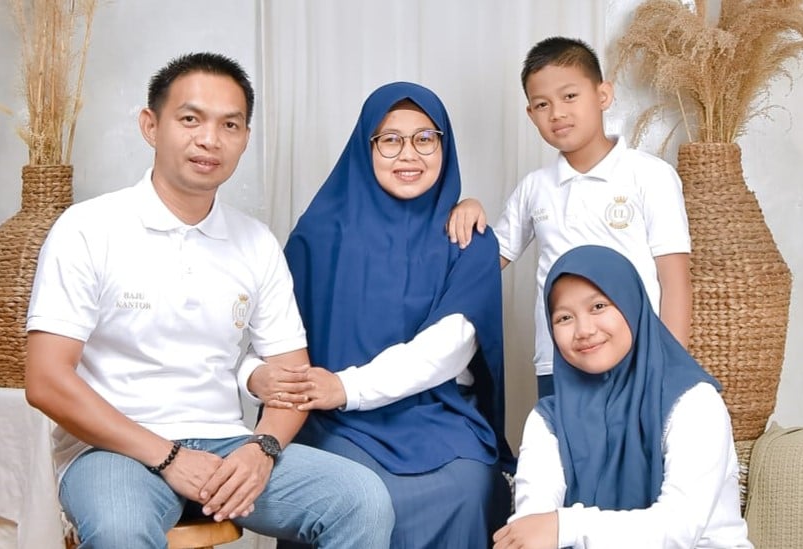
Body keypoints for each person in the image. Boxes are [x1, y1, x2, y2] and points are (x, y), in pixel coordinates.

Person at [24, 52, 394, 548]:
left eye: (230, 125)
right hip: (112, 448)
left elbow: (292, 379)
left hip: (226, 444)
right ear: (151, 125)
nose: (210, 139)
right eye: (190, 119)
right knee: (120, 529)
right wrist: (169, 457)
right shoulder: (88, 229)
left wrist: (262, 448)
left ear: (245, 138)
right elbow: (46, 380)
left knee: (361, 499)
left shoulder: (256, 242)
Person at [252, 81, 514, 548]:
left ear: (444, 146)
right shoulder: (317, 236)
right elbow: (273, 339)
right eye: (390, 139)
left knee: (467, 486)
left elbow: (448, 349)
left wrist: (347, 387)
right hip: (334, 419)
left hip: (437, 414)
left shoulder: (469, 239)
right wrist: (319, 392)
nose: (409, 154)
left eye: (425, 138)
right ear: (366, 146)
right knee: (350, 491)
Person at [447, 36, 692, 398]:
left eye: (570, 96)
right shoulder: (535, 188)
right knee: (558, 437)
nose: (557, 113)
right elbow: (485, 260)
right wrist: (467, 206)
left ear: (603, 95)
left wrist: (671, 370)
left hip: (638, 359)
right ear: (531, 115)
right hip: (558, 361)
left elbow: (675, 281)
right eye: (542, 104)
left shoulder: (649, 175)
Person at [493, 245, 752, 549]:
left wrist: (566, 526)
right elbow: (533, 526)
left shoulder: (694, 403)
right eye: (564, 318)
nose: (584, 330)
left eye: (598, 306)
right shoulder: (548, 419)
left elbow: (679, 529)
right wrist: (546, 531)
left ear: (631, 305)